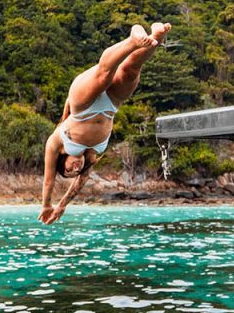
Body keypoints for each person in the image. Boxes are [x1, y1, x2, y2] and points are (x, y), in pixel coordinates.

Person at [39, 22, 171, 224]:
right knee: (130, 71)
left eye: (67, 169)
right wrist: (62, 205)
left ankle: (132, 40)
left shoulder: (56, 142)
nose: (74, 169)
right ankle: (157, 35)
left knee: (104, 74)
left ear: (62, 158)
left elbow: (49, 180)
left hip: (82, 106)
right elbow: (79, 183)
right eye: (74, 172)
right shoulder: (91, 155)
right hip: (111, 104)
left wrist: (47, 204)